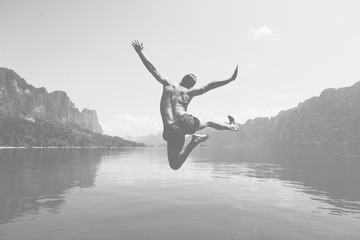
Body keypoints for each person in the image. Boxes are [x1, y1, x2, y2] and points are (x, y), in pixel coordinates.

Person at [132, 40, 239, 170]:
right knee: (210, 122)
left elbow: (152, 69)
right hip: (185, 121)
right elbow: (210, 86)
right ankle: (231, 126)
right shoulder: (190, 92)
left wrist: (140, 52)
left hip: (170, 127)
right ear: (192, 85)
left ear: (182, 79)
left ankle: (194, 142)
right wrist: (230, 79)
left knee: (174, 165)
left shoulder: (168, 84)